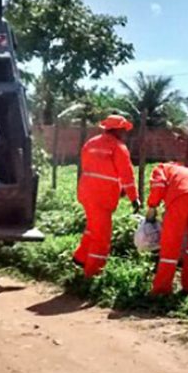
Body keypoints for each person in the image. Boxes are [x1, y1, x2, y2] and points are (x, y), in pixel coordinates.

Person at [72, 115, 140, 277]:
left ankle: (80, 258)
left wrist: (117, 186)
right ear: (117, 130)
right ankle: (93, 272)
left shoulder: (91, 143)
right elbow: (127, 174)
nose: (125, 133)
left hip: (86, 192)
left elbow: (93, 168)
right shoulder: (118, 147)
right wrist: (133, 197)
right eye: (123, 129)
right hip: (102, 196)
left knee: (93, 227)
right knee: (102, 236)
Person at [145, 162, 188, 295]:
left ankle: (162, 289)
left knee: (171, 242)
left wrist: (152, 206)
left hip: (180, 197)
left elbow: (158, 185)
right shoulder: (186, 170)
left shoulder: (161, 168)